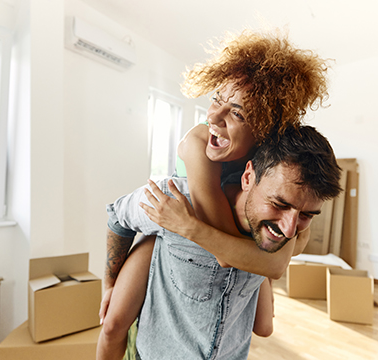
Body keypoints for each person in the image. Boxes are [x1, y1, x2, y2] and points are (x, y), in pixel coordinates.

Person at [97, 29, 330, 360]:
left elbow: (276, 260)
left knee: (264, 324)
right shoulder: (198, 148)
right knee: (115, 321)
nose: (213, 117)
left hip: (211, 258)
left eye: (237, 113)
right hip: (164, 232)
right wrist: (109, 283)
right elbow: (224, 250)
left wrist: (273, 256)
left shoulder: (274, 185)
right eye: (217, 100)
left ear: (265, 134)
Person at [105, 126, 342, 359]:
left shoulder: (285, 234)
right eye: (279, 204)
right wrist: (109, 284)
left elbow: (265, 319)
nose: (289, 229)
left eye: (307, 215)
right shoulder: (175, 205)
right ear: (248, 177)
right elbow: (117, 214)